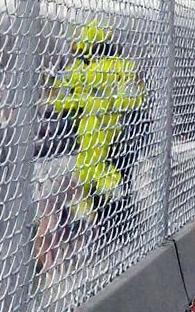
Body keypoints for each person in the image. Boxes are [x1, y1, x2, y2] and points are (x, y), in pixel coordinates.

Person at [51, 20, 145, 227]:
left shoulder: (78, 71)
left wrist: (85, 100)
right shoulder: (125, 67)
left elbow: (57, 102)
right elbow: (135, 98)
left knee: (94, 175)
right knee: (114, 178)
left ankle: (106, 216)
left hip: (99, 134)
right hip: (121, 136)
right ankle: (118, 215)